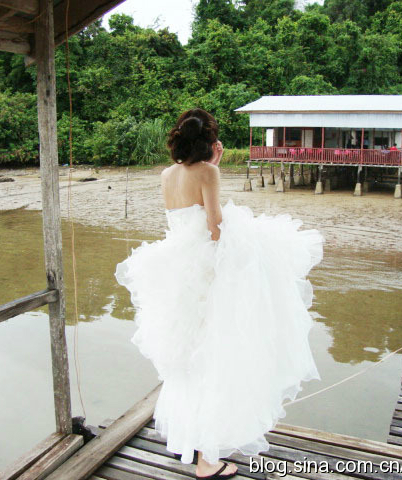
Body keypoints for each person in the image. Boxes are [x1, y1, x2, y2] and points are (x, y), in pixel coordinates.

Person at [114, 108, 324, 480]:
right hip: (208, 268)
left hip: (178, 268)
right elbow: (214, 225)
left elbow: (184, 216)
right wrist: (241, 256)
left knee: (189, 358)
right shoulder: (208, 171)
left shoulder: (166, 174)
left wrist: (215, 160)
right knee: (218, 353)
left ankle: (195, 442)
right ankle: (208, 461)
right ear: (209, 142)